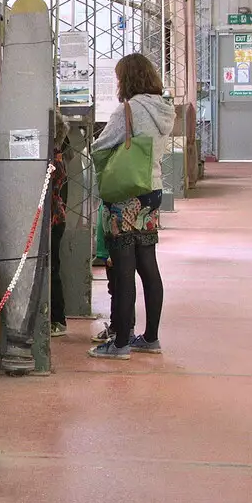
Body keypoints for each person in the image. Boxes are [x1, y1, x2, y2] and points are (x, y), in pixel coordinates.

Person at [89, 53, 173, 360]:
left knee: (123, 270)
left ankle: (121, 342)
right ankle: (150, 338)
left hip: (125, 195)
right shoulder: (164, 109)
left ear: (129, 79)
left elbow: (100, 146)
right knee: (148, 266)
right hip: (151, 191)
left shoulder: (128, 110)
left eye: (120, 76)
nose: (118, 82)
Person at [49, 117, 69, 337]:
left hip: (51, 221)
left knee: (51, 270)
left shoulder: (51, 161)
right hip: (57, 219)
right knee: (53, 268)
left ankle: (58, 319)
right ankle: (56, 317)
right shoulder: (58, 157)